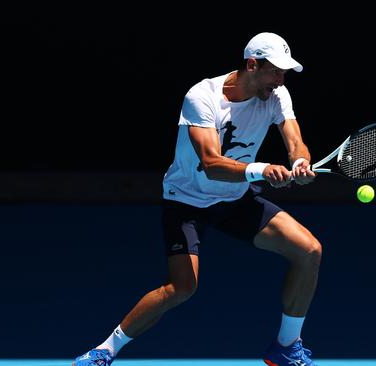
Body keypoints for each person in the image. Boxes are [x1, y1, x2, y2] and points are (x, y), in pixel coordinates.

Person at [73, 32, 321, 366]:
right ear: (252, 65)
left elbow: (295, 141)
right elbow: (211, 163)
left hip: (235, 200)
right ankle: (106, 349)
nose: (281, 79)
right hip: (186, 201)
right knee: (182, 288)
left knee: (309, 251)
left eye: (284, 72)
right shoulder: (202, 97)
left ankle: (286, 346)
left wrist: (299, 162)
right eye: (275, 71)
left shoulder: (277, 94)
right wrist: (261, 169)